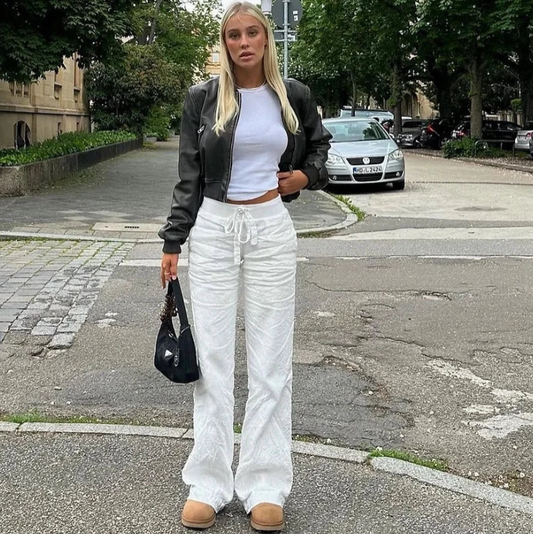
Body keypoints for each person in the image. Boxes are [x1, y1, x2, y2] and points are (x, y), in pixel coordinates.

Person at [159, 1, 331, 530]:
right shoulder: (203, 99)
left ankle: (265, 484)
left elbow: (319, 151)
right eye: (233, 35)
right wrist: (174, 239)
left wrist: (304, 178)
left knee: (271, 363)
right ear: (225, 43)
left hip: (271, 229)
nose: (243, 42)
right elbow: (190, 170)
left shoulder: (292, 95)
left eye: (252, 32)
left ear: (266, 39)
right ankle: (208, 483)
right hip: (213, 227)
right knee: (211, 361)